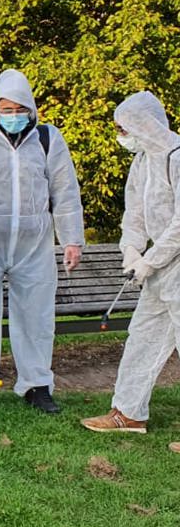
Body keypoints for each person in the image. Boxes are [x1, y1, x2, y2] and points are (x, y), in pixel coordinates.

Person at [0, 69, 84, 414]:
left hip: (34, 245)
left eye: (18, 109)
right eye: (5, 109)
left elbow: (65, 191)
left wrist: (72, 240)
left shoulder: (48, 139)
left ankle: (37, 385)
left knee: (37, 316)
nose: (12, 116)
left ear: (31, 108)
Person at [82, 92, 180, 434]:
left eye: (124, 127)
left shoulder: (177, 157)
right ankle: (128, 413)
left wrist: (150, 260)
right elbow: (135, 214)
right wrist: (131, 251)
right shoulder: (142, 161)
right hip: (162, 270)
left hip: (173, 263)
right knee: (143, 337)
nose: (121, 134)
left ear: (144, 123)